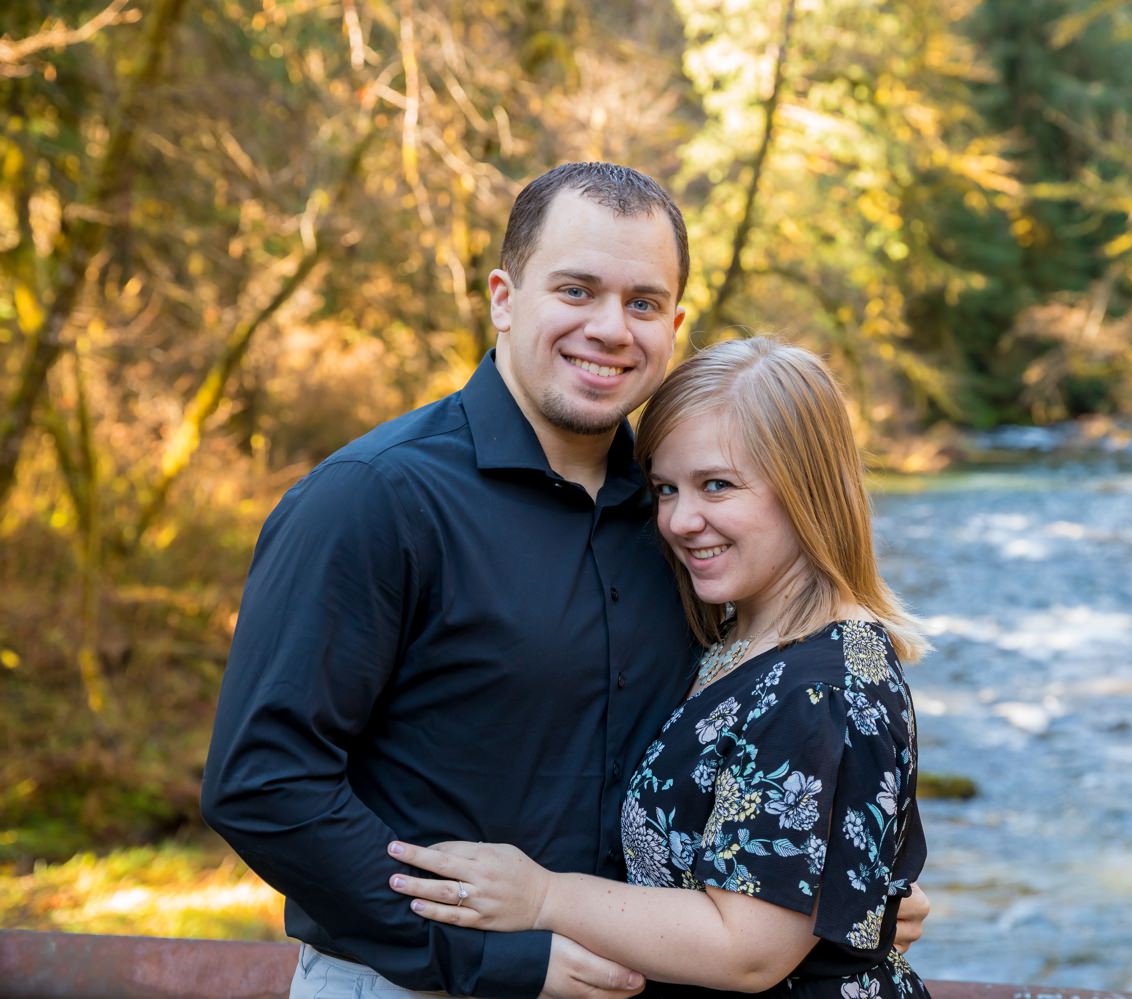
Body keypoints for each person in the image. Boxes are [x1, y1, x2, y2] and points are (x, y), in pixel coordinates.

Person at [200, 163, 927, 999]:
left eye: (643, 302)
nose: (611, 327)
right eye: (576, 290)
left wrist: (842, 880)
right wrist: (497, 960)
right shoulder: (376, 498)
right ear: (505, 298)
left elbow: (779, 731)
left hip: (635, 977)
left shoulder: (681, 523)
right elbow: (263, 783)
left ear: (676, 323)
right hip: (418, 982)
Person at [385, 337, 933, 998]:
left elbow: (747, 950)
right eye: (665, 488)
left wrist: (542, 897)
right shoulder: (736, 637)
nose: (679, 520)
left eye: (716, 485)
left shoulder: (822, 687)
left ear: (806, 486)